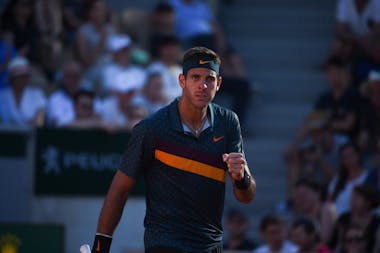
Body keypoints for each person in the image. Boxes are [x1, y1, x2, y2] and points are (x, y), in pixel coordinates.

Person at [90, 46, 256, 253]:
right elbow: (119, 190)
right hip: (165, 244)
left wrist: (241, 177)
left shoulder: (229, 122)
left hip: (210, 246)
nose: (202, 85)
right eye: (195, 77)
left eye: (209, 79)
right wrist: (99, 248)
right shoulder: (151, 128)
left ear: (219, 83)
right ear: (181, 81)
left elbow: (246, 196)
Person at [328, 183, 380, 253]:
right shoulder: (343, 219)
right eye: (352, 197)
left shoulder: (376, 223)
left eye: (357, 198)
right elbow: (332, 243)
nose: (352, 201)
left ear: (368, 202)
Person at [0, 56, 46, 127]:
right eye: (19, 76)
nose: (22, 79)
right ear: (12, 78)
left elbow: (39, 121)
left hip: (31, 136)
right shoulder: (2, 96)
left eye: (25, 76)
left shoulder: (37, 94)